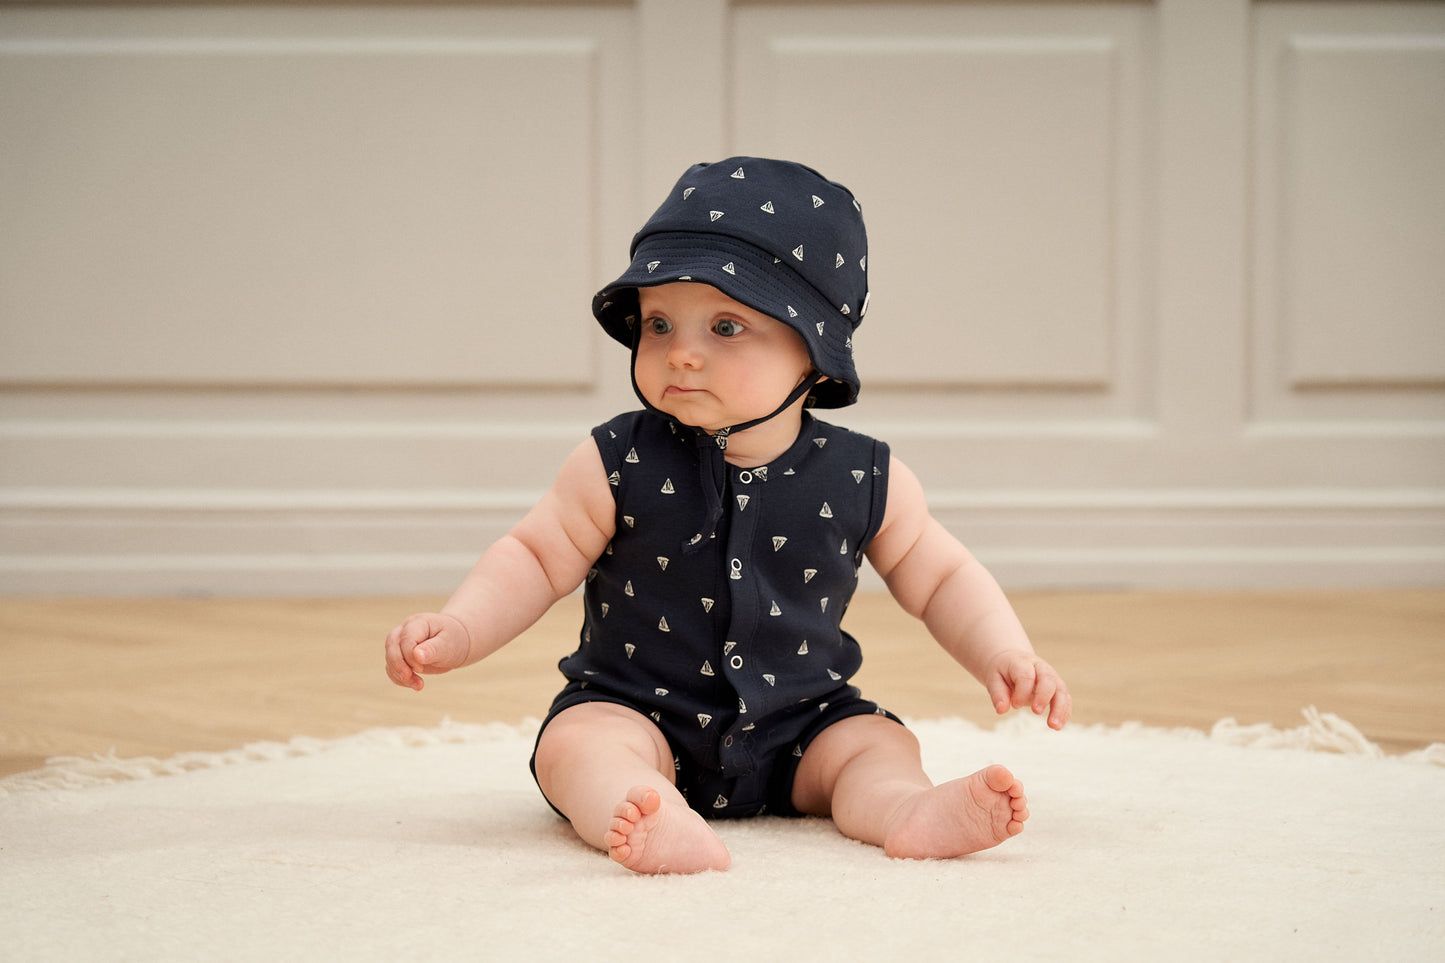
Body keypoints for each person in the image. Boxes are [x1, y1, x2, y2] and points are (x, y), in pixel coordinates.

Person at [384, 157, 1071, 874]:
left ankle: (904, 809)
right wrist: (460, 626)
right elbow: (532, 555)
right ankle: (645, 805)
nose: (680, 352)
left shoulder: (865, 476)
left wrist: (1004, 651)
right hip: (636, 709)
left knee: (876, 745)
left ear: (813, 355)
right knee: (577, 744)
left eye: (724, 325)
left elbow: (941, 576)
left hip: (802, 723)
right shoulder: (617, 459)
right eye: (657, 323)